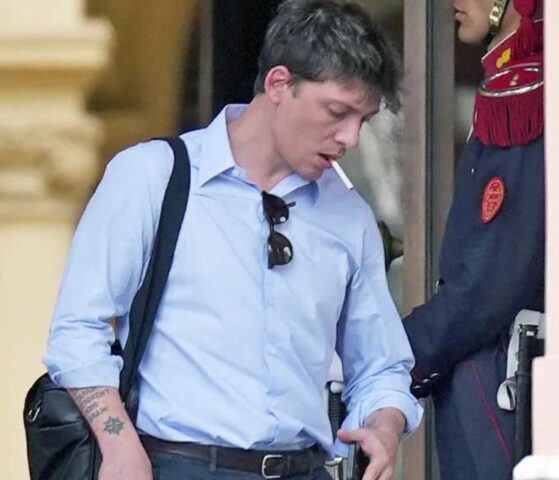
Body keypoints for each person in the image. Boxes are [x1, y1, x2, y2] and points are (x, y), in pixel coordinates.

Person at [43, 1, 423, 479]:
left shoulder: (350, 217)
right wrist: (118, 445)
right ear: (279, 84)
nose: (350, 138)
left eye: (362, 120)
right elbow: (78, 331)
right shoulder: (152, 176)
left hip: (304, 468)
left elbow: (382, 368)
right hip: (175, 465)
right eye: (337, 112)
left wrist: (384, 428)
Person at [403, 0, 544, 479]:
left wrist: (399, 351)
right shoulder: (509, 85)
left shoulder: (525, 93)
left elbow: (490, 286)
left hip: (499, 380)